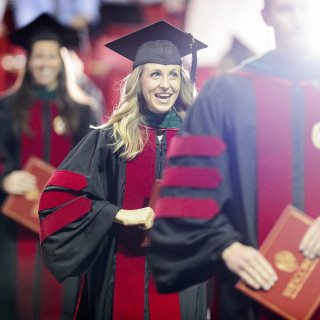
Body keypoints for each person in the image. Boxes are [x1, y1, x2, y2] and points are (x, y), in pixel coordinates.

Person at [147, 0, 320, 319]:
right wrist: (224, 245)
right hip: (249, 290)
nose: (297, 20)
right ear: (266, 17)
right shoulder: (227, 93)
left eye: (305, 8)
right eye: (285, 9)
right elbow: (190, 192)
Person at [38, 21, 207, 320]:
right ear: (138, 80)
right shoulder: (109, 139)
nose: (165, 85)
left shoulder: (199, 141)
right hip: (117, 274)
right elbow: (57, 198)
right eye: (155, 74)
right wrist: (117, 213)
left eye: (172, 75)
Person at [0, 13, 100, 320]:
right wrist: (3, 179)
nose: (44, 63)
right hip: (14, 227)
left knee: (64, 300)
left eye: (51, 56)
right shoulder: (5, 107)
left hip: (66, 225)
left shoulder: (85, 109)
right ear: (28, 61)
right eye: (38, 56)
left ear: (63, 60)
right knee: (15, 296)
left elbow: (98, 166)